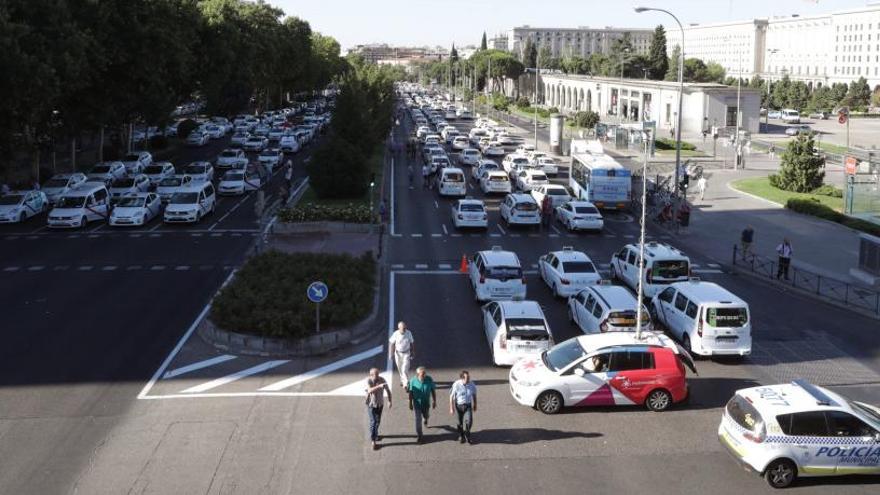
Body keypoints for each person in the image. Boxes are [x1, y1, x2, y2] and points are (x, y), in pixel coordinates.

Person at [364, 368, 391, 451]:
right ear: (371, 375)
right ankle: (373, 441)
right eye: (376, 374)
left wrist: (390, 401)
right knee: (373, 421)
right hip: (371, 404)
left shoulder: (382, 379)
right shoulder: (368, 380)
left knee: (378, 421)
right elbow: (369, 390)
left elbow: (388, 391)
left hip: (380, 404)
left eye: (378, 374)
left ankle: (375, 434)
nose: (378, 376)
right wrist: (379, 386)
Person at [408, 366, 436, 443]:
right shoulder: (412, 381)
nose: (424, 376)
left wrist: (434, 401)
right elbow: (410, 393)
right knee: (418, 420)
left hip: (426, 403)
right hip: (417, 404)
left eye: (424, 374)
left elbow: (433, 390)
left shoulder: (429, 379)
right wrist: (410, 403)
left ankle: (426, 419)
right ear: (417, 375)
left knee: (426, 415)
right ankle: (420, 435)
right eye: (422, 374)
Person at [449, 370, 477, 444]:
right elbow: (451, 396)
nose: (468, 379)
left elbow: (474, 395)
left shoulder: (472, 384)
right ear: (462, 378)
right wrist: (451, 408)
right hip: (459, 406)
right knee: (459, 423)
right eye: (467, 378)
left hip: (468, 405)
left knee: (470, 421)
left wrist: (475, 404)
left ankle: (467, 434)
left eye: (469, 377)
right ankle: (461, 436)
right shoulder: (456, 384)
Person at [388, 321, 415, 388]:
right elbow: (391, 343)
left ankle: (406, 384)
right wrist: (391, 353)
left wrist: (413, 352)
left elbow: (412, 343)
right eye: (402, 328)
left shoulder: (408, 333)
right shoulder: (395, 334)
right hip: (398, 353)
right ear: (399, 328)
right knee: (400, 368)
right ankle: (403, 380)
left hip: (406, 353)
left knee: (404, 368)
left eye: (405, 328)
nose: (404, 330)